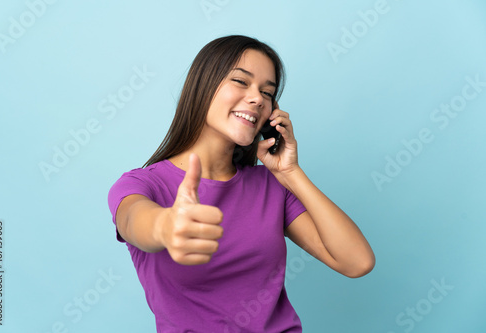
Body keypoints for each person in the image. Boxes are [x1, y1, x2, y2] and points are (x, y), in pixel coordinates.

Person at [107, 35, 375, 332]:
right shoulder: (143, 184)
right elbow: (134, 219)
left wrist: (290, 172)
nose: (257, 98)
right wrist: (167, 226)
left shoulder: (271, 187)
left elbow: (357, 262)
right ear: (203, 85)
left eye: (267, 92)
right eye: (240, 81)